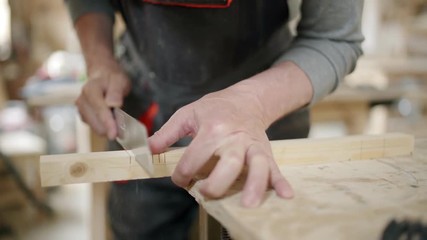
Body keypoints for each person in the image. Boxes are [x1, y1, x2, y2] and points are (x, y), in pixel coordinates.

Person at [66, 0, 364, 239]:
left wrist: (252, 102)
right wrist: (99, 60)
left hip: (263, 121)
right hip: (145, 115)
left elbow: (333, 36)